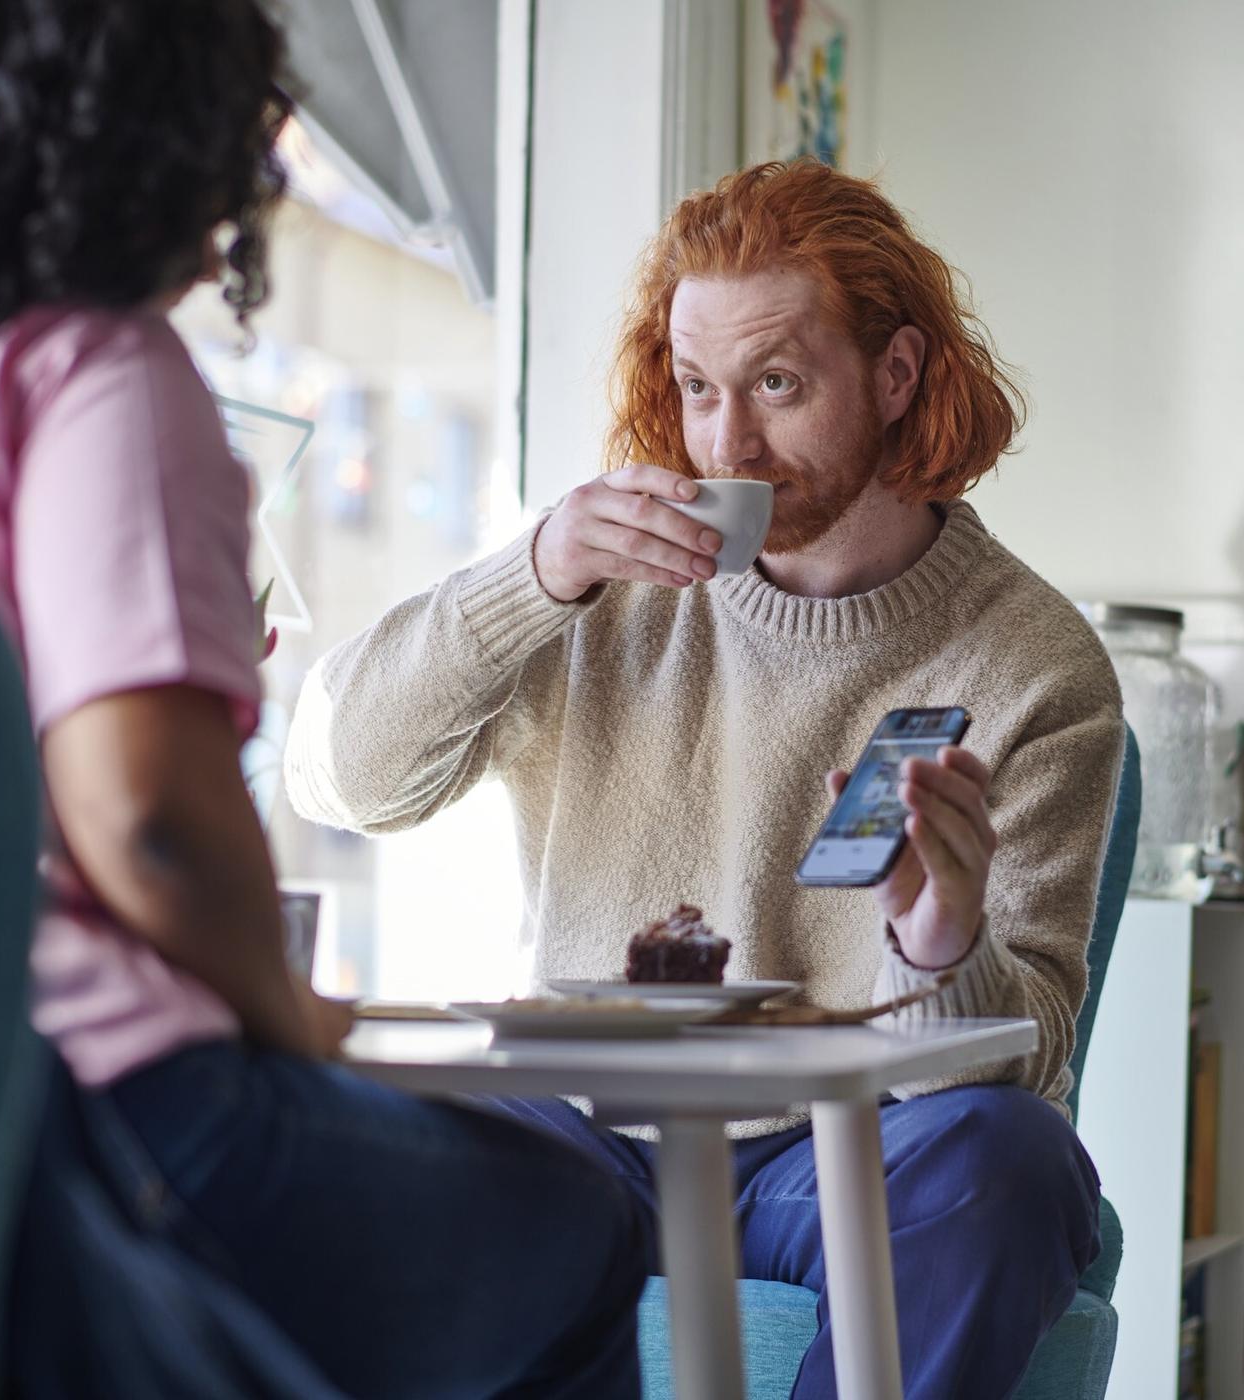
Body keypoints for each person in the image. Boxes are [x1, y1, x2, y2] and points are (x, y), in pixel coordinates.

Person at [0, 2, 647, 1396]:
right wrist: (291, 1017)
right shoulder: (100, 369)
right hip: (117, 1101)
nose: (254, 185)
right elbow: (145, 817)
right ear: (156, 139)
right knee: (594, 1216)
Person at [285, 159, 1125, 1397]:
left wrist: (940, 943)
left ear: (894, 375)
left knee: (1010, 1161)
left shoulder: (1034, 664)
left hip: (841, 1155)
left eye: (776, 384)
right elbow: (338, 778)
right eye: (694, 387)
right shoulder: (597, 584)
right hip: (591, 1133)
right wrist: (532, 574)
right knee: (348, 1144)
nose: (725, 440)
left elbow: (1023, 1060)